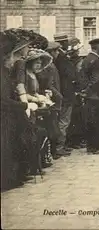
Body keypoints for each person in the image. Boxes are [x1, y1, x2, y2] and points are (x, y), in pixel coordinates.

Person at [0, 31, 39, 191]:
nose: (13, 62)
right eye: (12, 58)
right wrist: (25, 105)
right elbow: (3, 101)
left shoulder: (5, 72)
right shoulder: (3, 74)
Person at [79, 37, 99, 155]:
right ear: (97, 47)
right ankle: (95, 147)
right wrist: (91, 90)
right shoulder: (96, 60)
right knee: (98, 121)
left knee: (92, 121)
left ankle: (91, 146)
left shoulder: (88, 58)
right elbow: (96, 79)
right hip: (97, 95)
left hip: (92, 96)